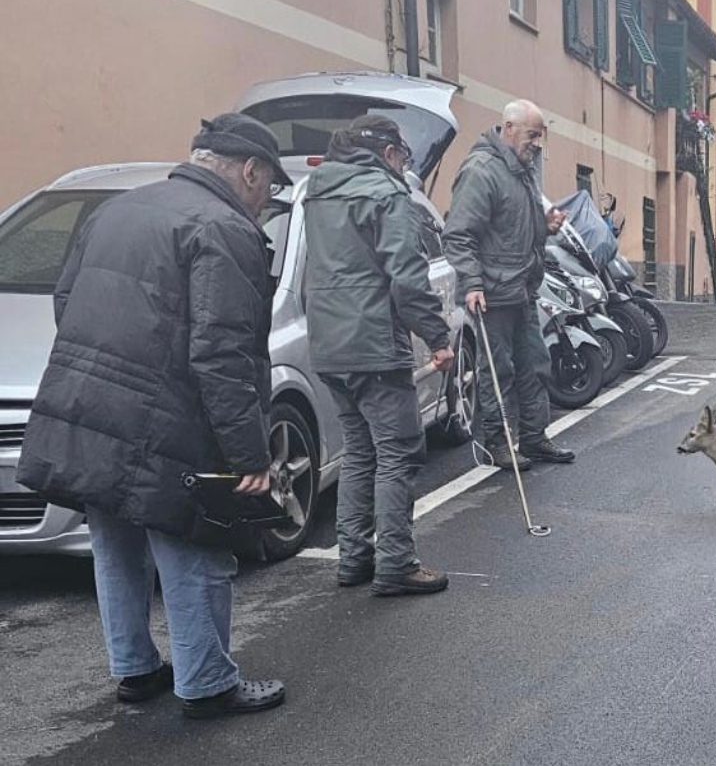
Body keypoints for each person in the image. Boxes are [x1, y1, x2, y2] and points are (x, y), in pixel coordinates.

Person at [18, 114, 291, 718]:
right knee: (196, 548)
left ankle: (136, 669)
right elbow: (223, 351)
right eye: (269, 187)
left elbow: (69, 301)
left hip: (89, 406)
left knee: (114, 542)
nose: (265, 201)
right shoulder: (225, 229)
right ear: (250, 171)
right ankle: (207, 682)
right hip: (168, 419)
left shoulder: (115, 209)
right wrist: (249, 454)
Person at [302, 115, 456, 596]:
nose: (404, 166)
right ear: (389, 153)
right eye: (404, 157)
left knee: (359, 451)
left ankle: (355, 558)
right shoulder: (386, 194)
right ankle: (396, 563)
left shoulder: (318, 191)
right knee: (398, 452)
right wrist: (437, 337)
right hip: (372, 342)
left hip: (328, 342)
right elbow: (408, 278)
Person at [443, 100, 575, 466]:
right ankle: (497, 443)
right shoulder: (482, 170)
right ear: (510, 128)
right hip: (492, 293)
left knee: (535, 363)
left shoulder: (520, 169)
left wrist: (543, 226)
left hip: (521, 288)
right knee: (497, 371)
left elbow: (509, 226)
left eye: (540, 136)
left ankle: (533, 438)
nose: (537, 143)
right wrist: (472, 282)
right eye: (533, 135)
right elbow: (459, 235)